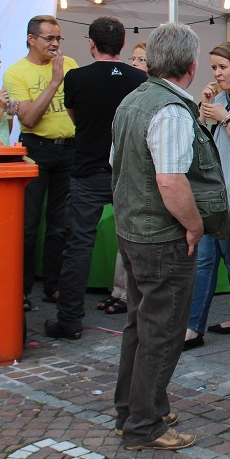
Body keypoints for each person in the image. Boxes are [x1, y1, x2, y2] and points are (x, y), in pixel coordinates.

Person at [110, 22, 230, 451]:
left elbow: (119, 163)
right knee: (160, 331)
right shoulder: (171, 110)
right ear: (192, 66)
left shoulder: (133, 100)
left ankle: (136, 409)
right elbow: (169, 181)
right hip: (161, 236)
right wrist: (195, 225)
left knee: (140, 326)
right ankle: (145, 423)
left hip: (134, 230)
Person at [45, 17, 146, 340]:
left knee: (78, 246)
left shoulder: (76, 78)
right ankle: (141, 317)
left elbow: (76, 119)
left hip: (88, 170)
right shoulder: (139, 79)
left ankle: (70, 320)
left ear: (91, 44)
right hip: (127, 172)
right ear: (123, 45)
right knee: (136, 245)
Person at [183, 43, 230, 350]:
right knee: (208, 259)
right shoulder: (222, 99)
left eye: (222, 67)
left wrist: (224, 118)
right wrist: (204, 110)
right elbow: (200, 143)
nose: (217, 73)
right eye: (213, 67)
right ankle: (194, 326)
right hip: (216, 193)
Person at [4, 15, 79, 312]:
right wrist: (55, 81)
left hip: (69, 150)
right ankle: (20, 290)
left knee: (61, 225)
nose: (55, 44)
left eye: (58, 38)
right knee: (28, 225)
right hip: (36, 148)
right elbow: (30, 118)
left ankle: (54, 285)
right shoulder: (16, 73)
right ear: (31, 39)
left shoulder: (70, 63)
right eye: (49, 38)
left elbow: (80, 105)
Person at [100, 41, 149, 316]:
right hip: (125, 179)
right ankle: (118, 290)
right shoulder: (127, 100)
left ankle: (125, 293)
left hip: (140, 183)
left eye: (140, 60)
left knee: (131, 243)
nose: (134, 64)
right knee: (123, 240)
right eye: (133, 58)